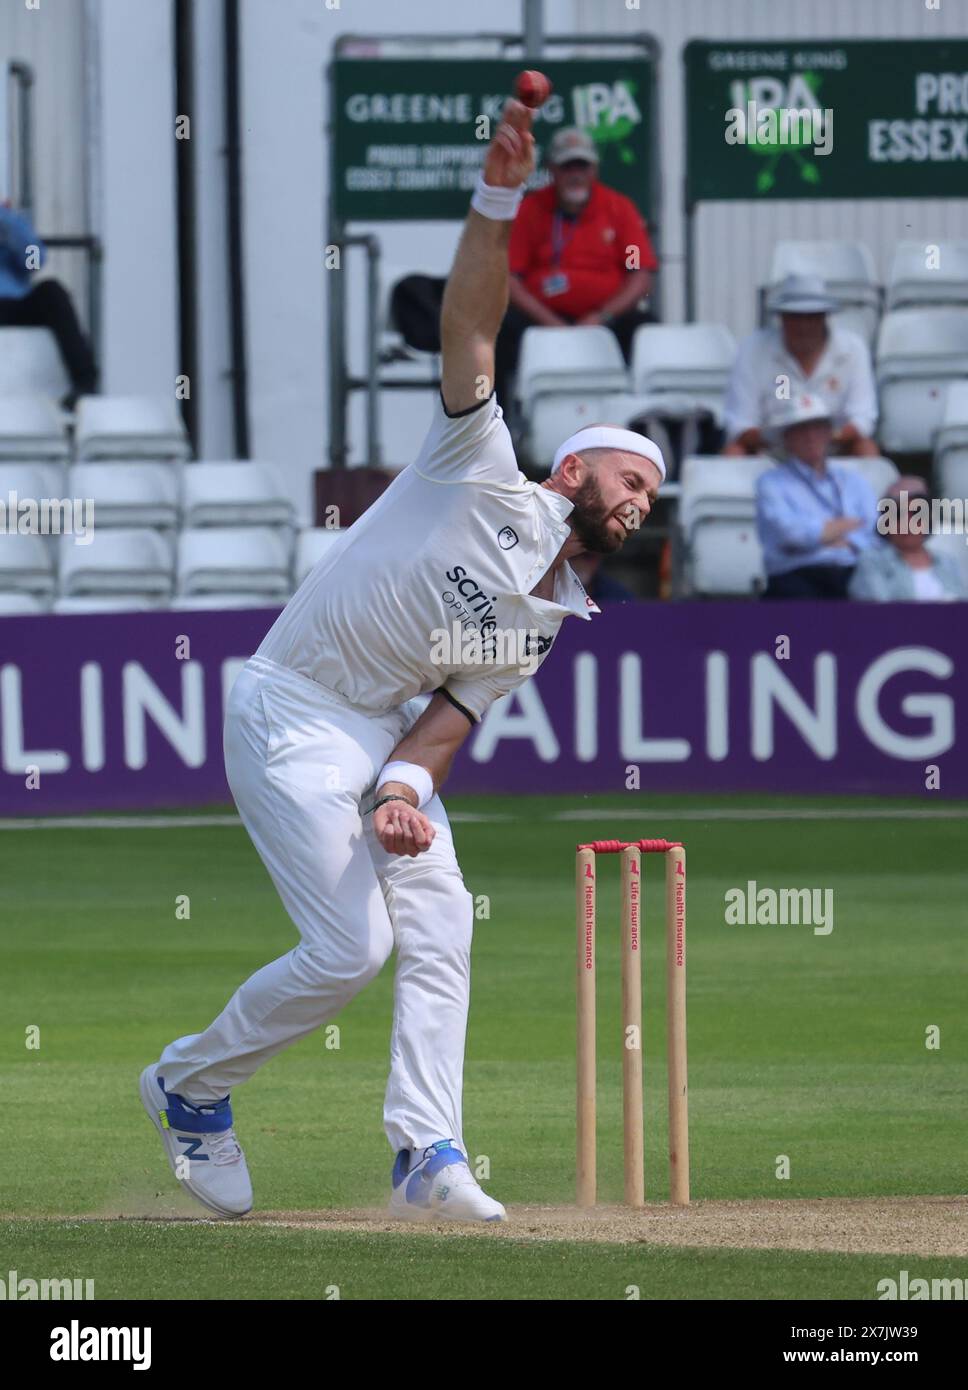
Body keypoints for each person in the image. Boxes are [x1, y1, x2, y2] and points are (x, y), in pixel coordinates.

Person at [140, 96, 666, 1224]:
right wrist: (496, 196)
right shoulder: (477, 461)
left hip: (373, 735)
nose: (640, 504)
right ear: (574, 469)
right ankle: (190, 1084)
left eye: (651, 498)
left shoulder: (551, 610)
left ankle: (425, 1151)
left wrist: (398, 790)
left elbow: (449, 716)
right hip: (289, 706)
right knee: (350, 950)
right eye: (631, 481)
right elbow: (470, 327)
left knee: (439, 918)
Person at [494, 126, 658, 418]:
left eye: (582, 165)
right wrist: (549, 322)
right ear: (552, 169)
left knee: (645, 328)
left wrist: (602, 316)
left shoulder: (619, 209)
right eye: (567, 165)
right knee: (499, 331)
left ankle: (641, 426)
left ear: (594, 169)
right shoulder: (530, 210)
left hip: (605, 317)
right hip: (542, 316)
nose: (575, 174)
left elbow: (639, 273)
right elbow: (510, 278)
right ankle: (500, 431)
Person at [723, 273, 878, 458]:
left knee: (866, 449)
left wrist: (817, 440)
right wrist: (788, 440)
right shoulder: (752, 350)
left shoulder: (853, 349)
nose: (803, 326)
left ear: (824, 317)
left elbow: (862, 419)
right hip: (771, 452)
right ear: (781, 318)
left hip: (833, 451)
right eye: (795, 317)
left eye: (811, 317)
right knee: (733, 453)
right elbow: (740, 424)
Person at [756, 393, 878, 599]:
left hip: (853, 572)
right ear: (787, 438)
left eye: (818, 428)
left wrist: (832, 538)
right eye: (801, 430)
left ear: (829, 433)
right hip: (796, 575)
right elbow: (790, 534)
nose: (811, 436)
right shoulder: (771, 483)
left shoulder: (852, 481)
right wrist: (842, 528)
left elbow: (875, 530)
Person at [0, 202, 98, 409]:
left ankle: (84, 381)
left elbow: (36, 262)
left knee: (52, 291)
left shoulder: (10, 224)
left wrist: (7, 220)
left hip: (13, 303)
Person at [849, 476, 967, 601]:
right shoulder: (871, 562)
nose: (908, 522)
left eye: (916, 513)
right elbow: (881, 611)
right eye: (898, 514)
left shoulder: (947, 562)